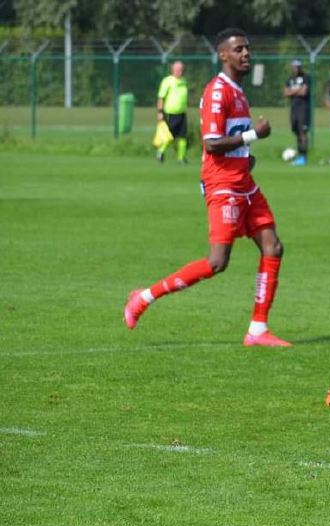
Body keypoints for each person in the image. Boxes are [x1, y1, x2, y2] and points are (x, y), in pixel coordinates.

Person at [123, 28, 290, 348]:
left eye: (248, 48)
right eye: (239, 49)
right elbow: (212, 144)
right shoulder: (218, 92)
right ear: (223, 55)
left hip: (244, 182)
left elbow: (230, 140)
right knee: (217, 262)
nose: (246, 54)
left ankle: (257, 329)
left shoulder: (239, 91)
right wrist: (253, 136)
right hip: (222, 185)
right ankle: (143, 297)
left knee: (273, 247)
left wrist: (245, 156)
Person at [155, 61, 189, 164]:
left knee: (183, 136)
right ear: (173, 70)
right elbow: (161, 97)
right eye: (178, 69)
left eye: (181, 69)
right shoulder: (168, 81)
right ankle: (160, 152)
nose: (180, 71)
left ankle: (181, 158)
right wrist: (160, 112)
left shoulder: (184, 81)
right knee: (169, 136)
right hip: (171, 113)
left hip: (182, 113)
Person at [283, 59, 310, 167]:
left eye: (298, 66)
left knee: (303, 132)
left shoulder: (306, 78)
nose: (297, 68)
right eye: (295, 66)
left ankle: (304, 156)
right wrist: (297, 90)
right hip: (293, 109)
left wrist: (292, 91)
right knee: (296, 131)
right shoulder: (290, 79)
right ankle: (300, 154)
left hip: (303, 109)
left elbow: (304, 92)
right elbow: (285, 92)